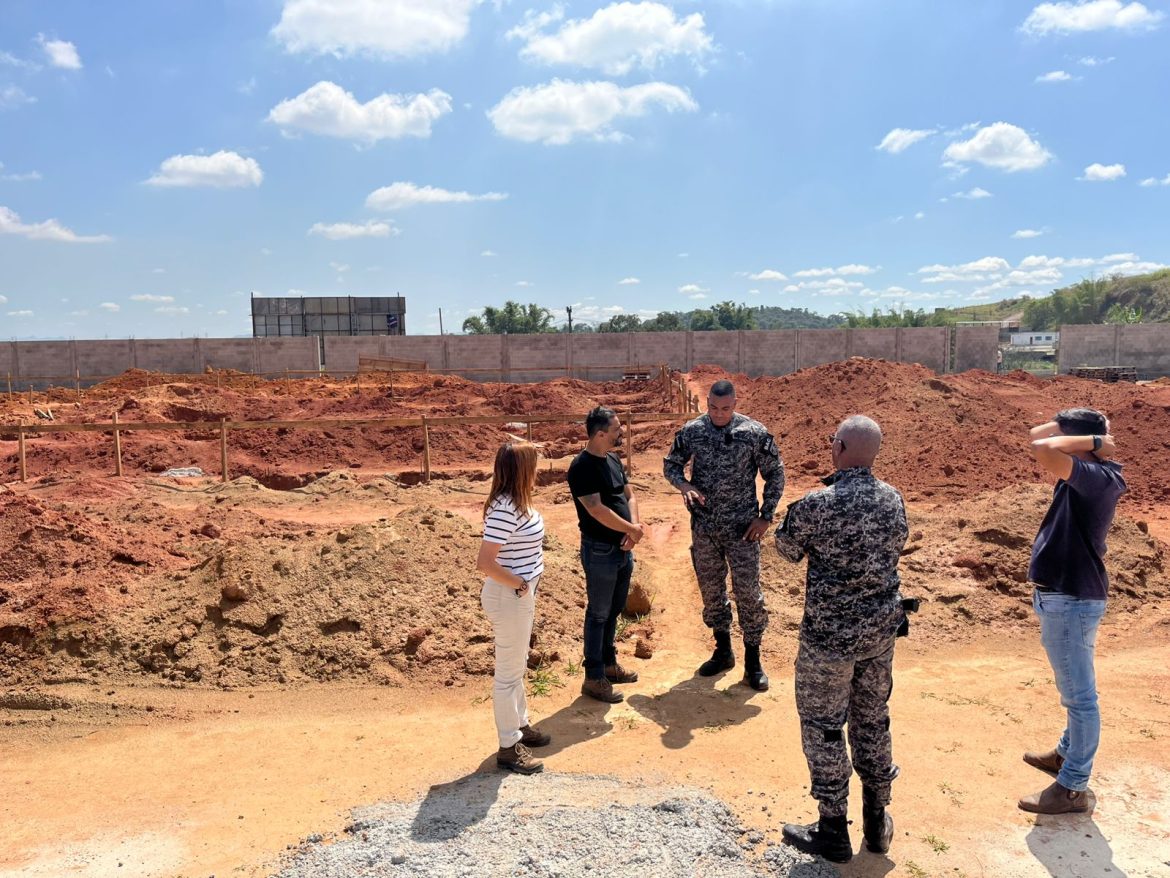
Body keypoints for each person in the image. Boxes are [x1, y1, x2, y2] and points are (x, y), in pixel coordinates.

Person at [773, 415, 908, 863]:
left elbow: (786, 548)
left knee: (825, 727)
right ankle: (876, 822)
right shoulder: (894, 500)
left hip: (828, 642)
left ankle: (833, 829)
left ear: (840, 447)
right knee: (873, 720)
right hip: (878, 636)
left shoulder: (817, 504)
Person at [1019, 408, 1124, 815]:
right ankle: (1066, 754)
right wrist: (1085, 431)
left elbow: (1043, 447)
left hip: (1072, 598)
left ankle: (1073, 787)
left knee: (1080, 698)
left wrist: (1095, 441)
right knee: (1076, 693)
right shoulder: (1090, 473)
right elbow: (1038, 436)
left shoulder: (1098, 478)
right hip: (1066, 597)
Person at [663, 380, 785, 690]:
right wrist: (684, 485)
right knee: (711, 589)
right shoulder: (693, 431)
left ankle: (753, 661)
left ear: (735, 403)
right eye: (714, 408)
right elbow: (672, 464)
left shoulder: (754, 432)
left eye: (726, 409)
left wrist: (766, 516)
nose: (719, 414)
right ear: (707, 404)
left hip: (743, 529)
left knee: (747, 592)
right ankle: (723, 650)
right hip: (705, 527)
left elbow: (775, 474)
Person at [476, 441, 551, 774]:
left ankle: (520, 726)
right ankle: (508, 747)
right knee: (507, 676)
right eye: (532, 463)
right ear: (521, 470)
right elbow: (485, 562)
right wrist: (521, 585)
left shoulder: (517, 503)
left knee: (516, 666)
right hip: (510, 597)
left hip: (519, 595)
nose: (537, 469)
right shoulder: (506, 508)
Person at [567, 406, 644, 703]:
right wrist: (631, 530)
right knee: (598, 613)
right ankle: (593, 677)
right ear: (600, 434)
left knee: (613, 610)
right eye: (615, 430)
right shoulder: (581, 467)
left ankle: (609, 665)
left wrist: (633, 528)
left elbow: (630, 495)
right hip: (599, 550)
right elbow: (596, 509)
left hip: (623, 549)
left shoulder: (613, 459)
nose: (620, 433)